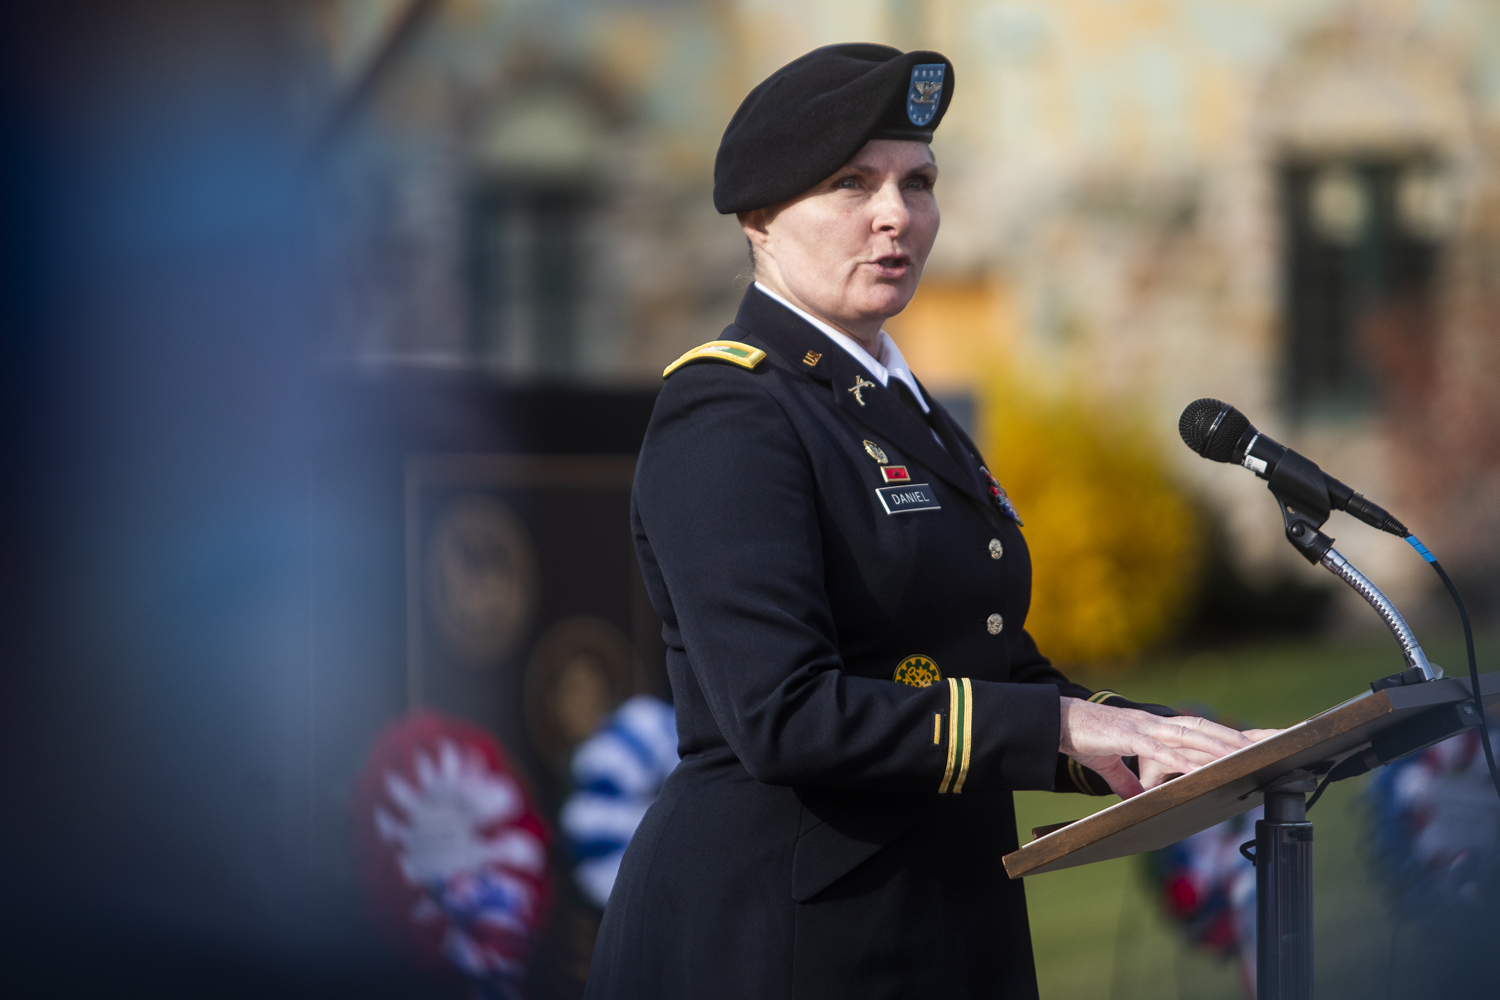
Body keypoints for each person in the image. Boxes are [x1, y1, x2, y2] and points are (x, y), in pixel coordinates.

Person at [585, 43, 1263, 1000]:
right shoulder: (730, 410)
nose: (896, 215)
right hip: (783, 934)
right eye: (850, 184)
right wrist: (1060, 728)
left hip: (940, 912)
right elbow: (786, 714)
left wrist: (1158, 738)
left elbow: (980, 659)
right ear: (760, 221)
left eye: (919, 182)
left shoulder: (893, 398)